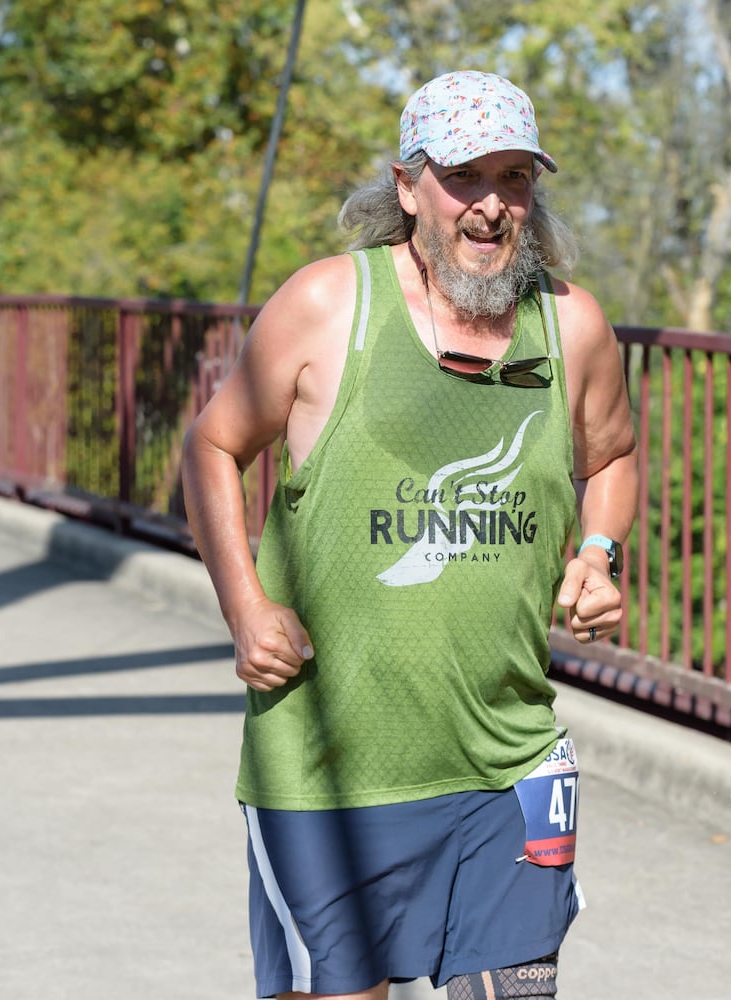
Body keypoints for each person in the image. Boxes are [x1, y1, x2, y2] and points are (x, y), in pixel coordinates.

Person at [181, 69, 638, 1000]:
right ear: (407, 186)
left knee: (513, 992)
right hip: (332, 764)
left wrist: (598, 552)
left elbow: (614, 455)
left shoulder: (572, 324)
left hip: (509, 752)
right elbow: (212, 445)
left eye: (515, 178)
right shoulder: (326, 307)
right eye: (465, 177)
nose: (492, 205)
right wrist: (246, 605)